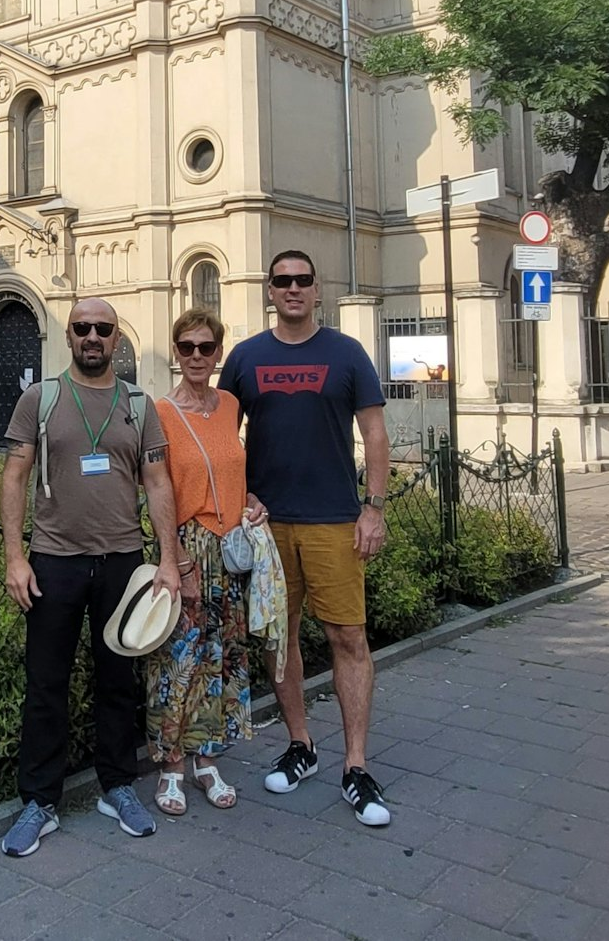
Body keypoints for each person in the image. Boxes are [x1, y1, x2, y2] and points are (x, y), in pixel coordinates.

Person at [0, 298, 181, 856]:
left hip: (124, 561)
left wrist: (170, 560)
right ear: (69, 336)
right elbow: (14, 477)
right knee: (46, 684)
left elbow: (157, 483)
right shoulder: (41, 398)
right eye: (83, 328)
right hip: (54, 559)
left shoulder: (138, 404)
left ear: (117, 337)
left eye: (103, 329)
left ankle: (117, 786)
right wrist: (14, 557)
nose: (93, 337)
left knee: (117, 682)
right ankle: (40, 802)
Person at [219, 248, 392, 828]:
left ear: (318, 289)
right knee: (278, 639)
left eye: (302, 281)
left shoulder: (346, 354)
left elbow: (375, 431)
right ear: (269, 290)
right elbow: (225, 438)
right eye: (282, 281)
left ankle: (357, 766)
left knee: (347, 637)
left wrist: (374, 509)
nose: (292, 289)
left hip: (335, 521)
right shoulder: (245, 357)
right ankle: (301, 746)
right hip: (267, 529)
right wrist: (239, 497)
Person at [146, 307, 269, 815]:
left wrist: (251, 500)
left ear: (219, 353)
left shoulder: (229, 406)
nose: (197, 356)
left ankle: (208, 757)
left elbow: (231, 468)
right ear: (176, 353)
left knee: (222, 655)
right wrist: (175, 562)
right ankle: (171, 765)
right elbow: (158, 491)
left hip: (231, 547)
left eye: (206, 347)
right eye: (186, 347)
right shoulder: (159, 412)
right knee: (180, 659)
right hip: (189, 547)